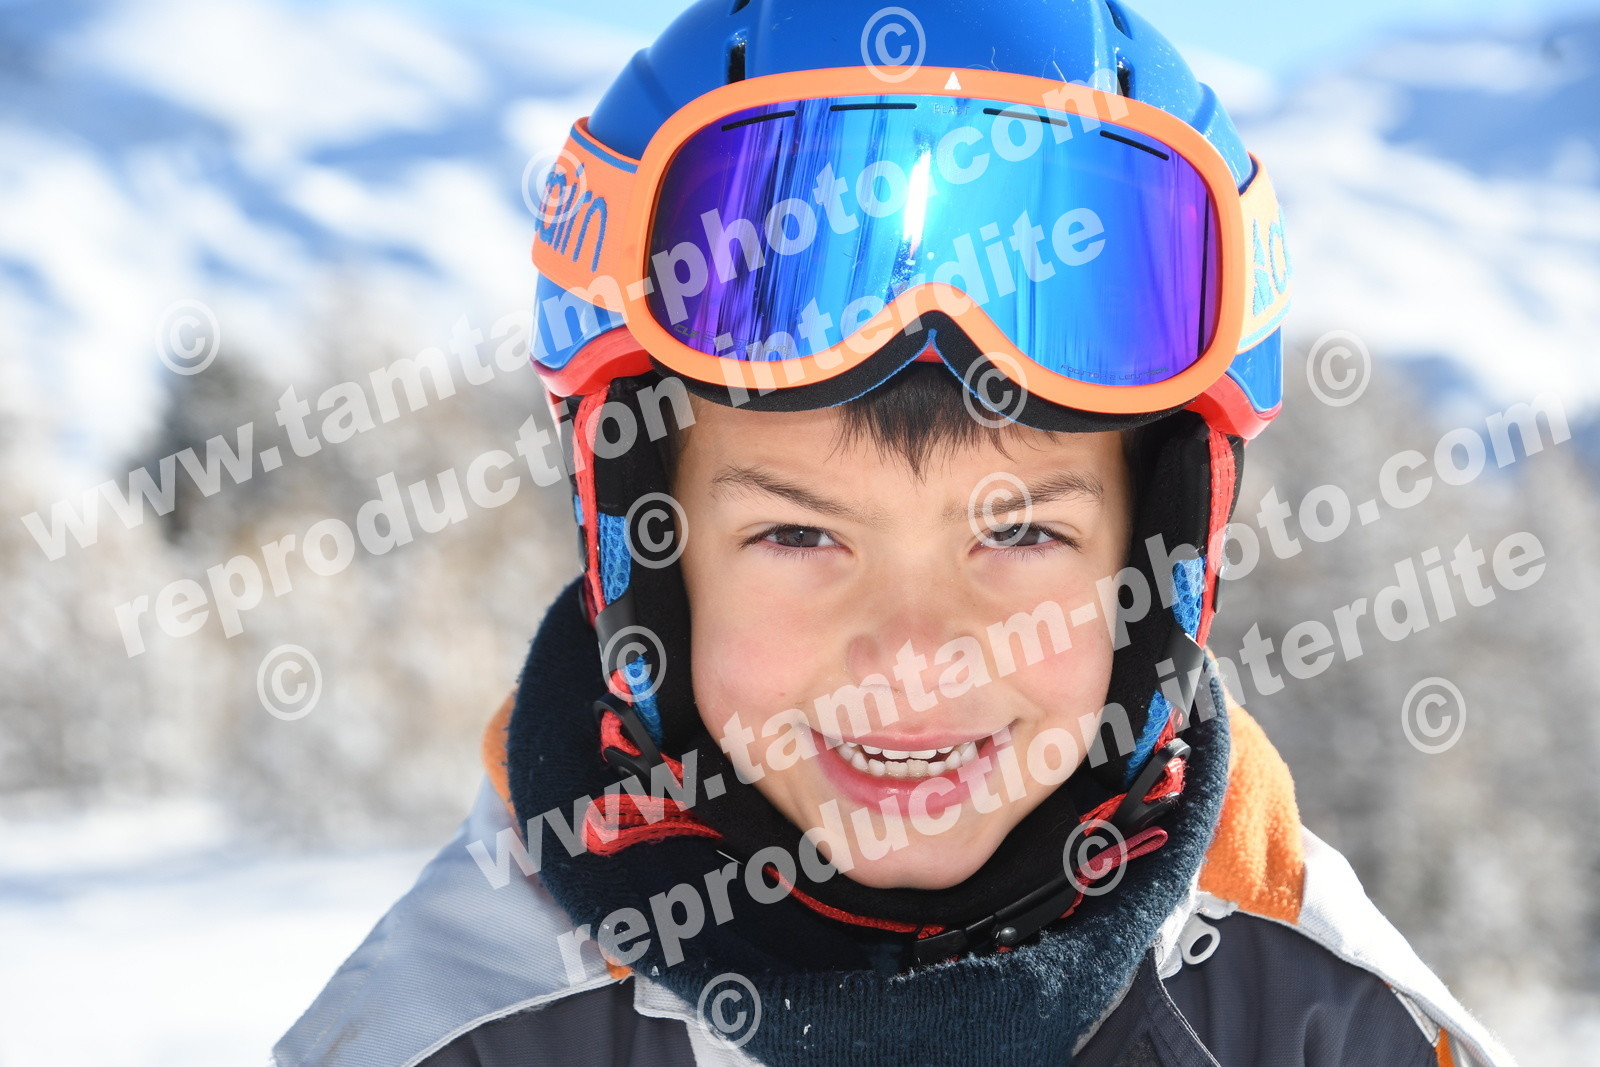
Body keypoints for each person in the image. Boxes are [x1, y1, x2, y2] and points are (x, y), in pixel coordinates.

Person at [274, 1, 1521, 1064]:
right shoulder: (453, 1038)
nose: (916, 657)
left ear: (1159, 564)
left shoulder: (1320, 1020)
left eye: (1020, 533)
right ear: (646, 563)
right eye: (797, 537)